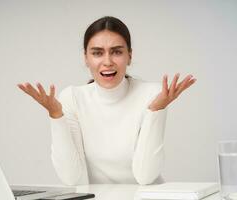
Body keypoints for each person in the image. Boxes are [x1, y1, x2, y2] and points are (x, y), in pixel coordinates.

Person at [18, 16, 196, 185]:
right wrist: (56, 116)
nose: (107, 61)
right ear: (86, 58)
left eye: (117, 52)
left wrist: (156, 109)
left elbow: (146, 176)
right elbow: (72, 179)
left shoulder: (152, 94)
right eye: (97, 53)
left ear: (130, 56)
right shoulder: (72, 97)